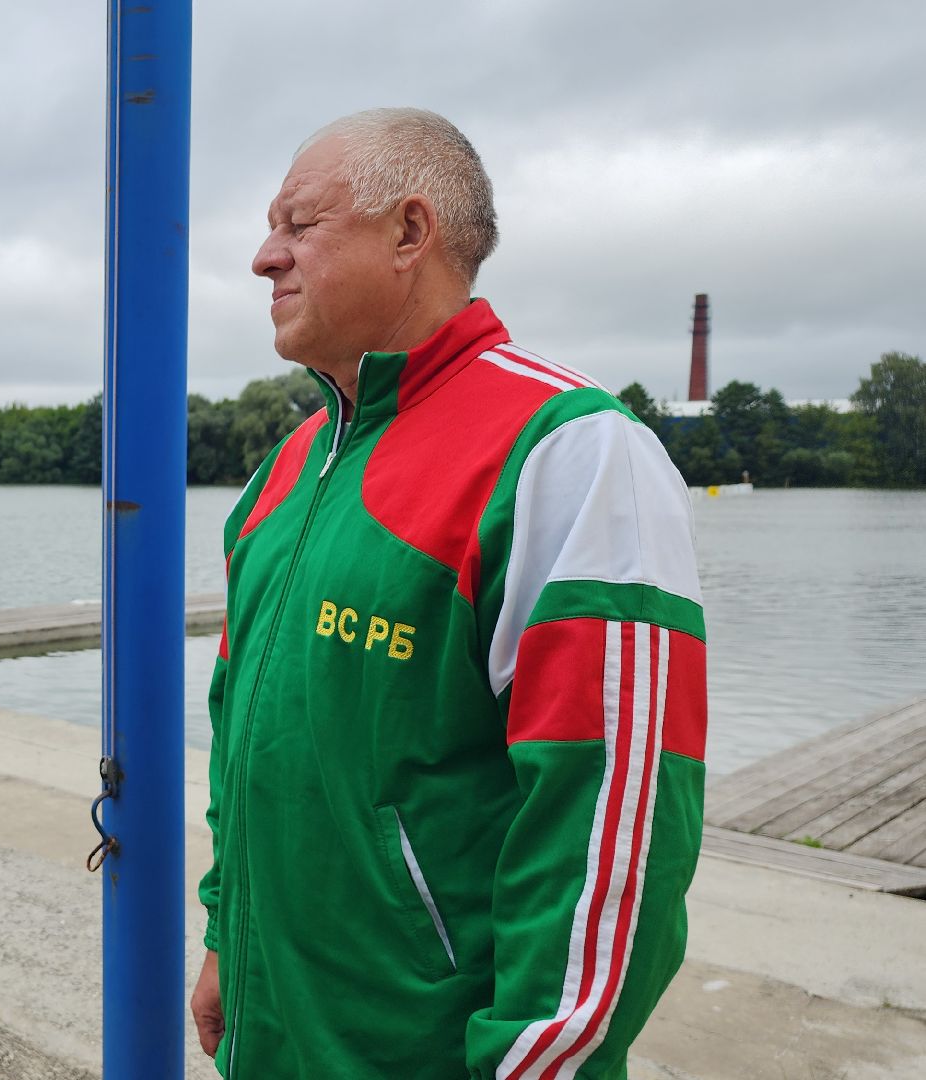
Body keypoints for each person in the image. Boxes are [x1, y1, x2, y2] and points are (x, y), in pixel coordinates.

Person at [190, 109, 706, 1077]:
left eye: (299, 224)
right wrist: (226, 933)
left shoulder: (568, 455)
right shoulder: (285, 476)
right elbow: (240, 742)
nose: (265, 257)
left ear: (409, 233)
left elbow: (607, 847)